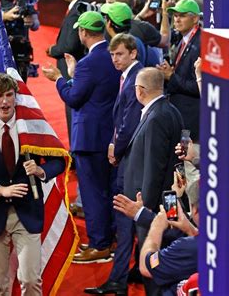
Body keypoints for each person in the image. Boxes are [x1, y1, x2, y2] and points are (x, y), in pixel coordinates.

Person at [0, 73, 65, 295]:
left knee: (30, 280)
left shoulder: (31, 124)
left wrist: (41, 171)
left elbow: (60, 160)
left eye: (9, 95)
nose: (5, 101)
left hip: (26, 213)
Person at [42, 11, 120, 263]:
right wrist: (76, 75)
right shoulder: (113, 55)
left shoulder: (89, 63)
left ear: (83, 33)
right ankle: (109, 238)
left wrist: (60, 79)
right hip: (110, 134)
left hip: (90, 138)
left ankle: (100, 245)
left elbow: (74, 97)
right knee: (107, 189)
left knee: (93, 193)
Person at [84, 33, 143, 295]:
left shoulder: (135, 80)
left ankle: (118, 279)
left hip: (130, 162)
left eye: (119, 54)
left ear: (133, 53)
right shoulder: (127, 77)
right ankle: (135, 271)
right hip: (127, 155)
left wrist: (116, 149)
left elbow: (129, 122)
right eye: (112, 54)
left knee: (125, 220)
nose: (115, 59)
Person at [122, 67, 183, 295]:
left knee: (153, 263)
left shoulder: (156, 117)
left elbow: (154, 167)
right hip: (167, 200)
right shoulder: (170, 109)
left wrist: (143, 210)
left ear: (140, 90)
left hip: (152, 205)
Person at [45, 0, 87, 218]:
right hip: (71, 75)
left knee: (75, 129)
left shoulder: (76, 11)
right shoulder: (76, 8)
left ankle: (82, 194)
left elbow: (69, 44)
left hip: (72, 76)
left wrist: (53, 50)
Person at [139, 180, 200, 296]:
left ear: (195, 210)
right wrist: (190, 229)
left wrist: (156, 227)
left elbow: (146, 266)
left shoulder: (186, 247)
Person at [156, 0, 201, 141]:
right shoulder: (183, 39)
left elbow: (199, 87)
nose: (177, 19)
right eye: (175, 16)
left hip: (192, 120)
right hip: (181, 115)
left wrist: (171, 76)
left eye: (182, 15)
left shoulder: (202, 42)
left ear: (195, 19)